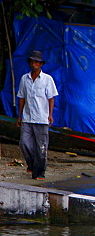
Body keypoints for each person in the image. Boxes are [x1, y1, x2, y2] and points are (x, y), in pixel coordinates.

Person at [16, 50, 58, 181]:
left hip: (42, 117)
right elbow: (21, 97)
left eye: (37, 62)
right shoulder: (25, 78)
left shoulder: (47, 79)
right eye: (32, 61)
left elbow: (51, 98)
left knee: (41, 147)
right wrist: (19, 115)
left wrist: (50, 114)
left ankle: (40, 172)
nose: (34, 64)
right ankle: (32, 165)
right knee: (24, 143)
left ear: (41, 64)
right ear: (30, 63)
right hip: (27, 117)